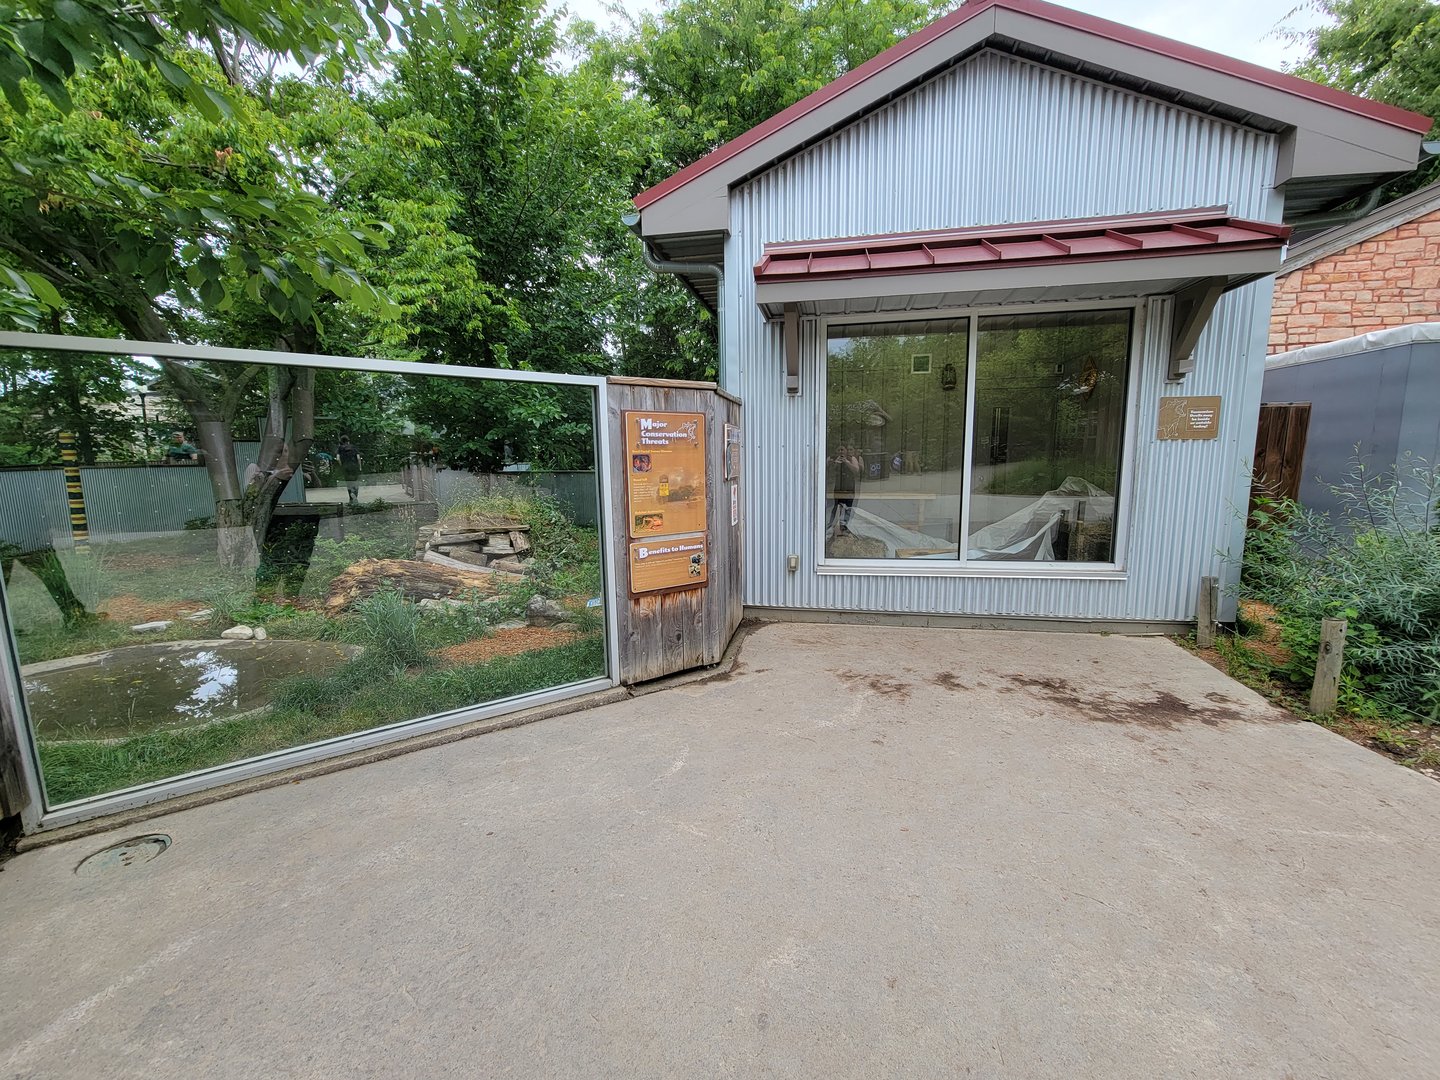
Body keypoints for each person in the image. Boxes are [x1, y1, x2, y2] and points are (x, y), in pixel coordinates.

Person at [828, 445, 864, 539]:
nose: (841, 452)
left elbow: (856, 471)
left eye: (842, 450)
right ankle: (830, 526)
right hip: (837, 488)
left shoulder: (852, 459)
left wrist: (847, 462)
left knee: (848, 508)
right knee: (834, 507)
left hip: (849, 487)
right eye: (839, 449)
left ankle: (845, 527)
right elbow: (829, 472)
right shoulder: (833, 459)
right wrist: (835, 463)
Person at [337, 435, 363, 506]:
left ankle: (351, 498)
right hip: (354, 467)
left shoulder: (340, 448)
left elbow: (338, 458)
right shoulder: (353, 447)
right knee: (355, 482)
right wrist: (360, 467)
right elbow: (358, 458)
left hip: (346, 467)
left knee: (348, 482)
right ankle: (355, 495)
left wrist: (341, 466)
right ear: (348, 441)